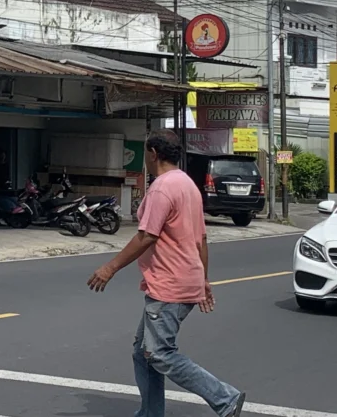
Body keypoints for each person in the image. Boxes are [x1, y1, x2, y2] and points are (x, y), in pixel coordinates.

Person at [86, 130, 246, 417]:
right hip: (184, 279)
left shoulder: (162, 189)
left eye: (146, 153)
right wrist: (203, 279)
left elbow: (147, 236)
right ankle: (151, 413)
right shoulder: (187, 184)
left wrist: (109, 268)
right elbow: (201, 239)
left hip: (169, 285)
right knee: (143, 353)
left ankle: (225, 399)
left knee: (159, 353)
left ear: (153, 154)